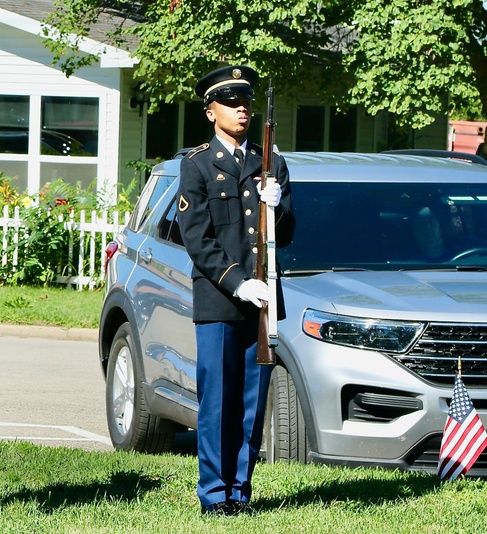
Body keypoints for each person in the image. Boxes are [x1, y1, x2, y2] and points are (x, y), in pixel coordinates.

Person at [176, 65, 295, 516]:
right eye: (230, 101)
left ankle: (240, 491)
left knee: (251, 401)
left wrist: (277, 206)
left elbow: (285, 233)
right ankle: (214, 493)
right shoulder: (198, 163)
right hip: (219, 299)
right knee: (217, 401)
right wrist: (237, 281)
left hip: (263, 301)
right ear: (211, 112)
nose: (241, 108)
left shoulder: (271, 162)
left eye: (245, 101)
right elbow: (196, 236)